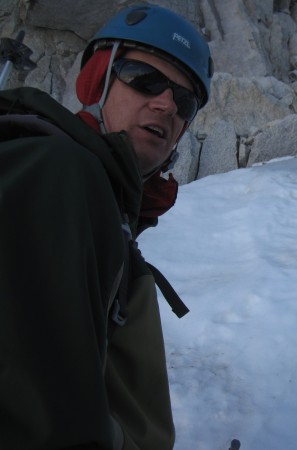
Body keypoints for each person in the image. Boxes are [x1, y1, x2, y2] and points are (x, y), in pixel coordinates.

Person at [0, 4, 213, 449]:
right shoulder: (56, 172)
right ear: (97, 82)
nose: (167, 103)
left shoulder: (104, 206)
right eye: (144, 79)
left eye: (185, 100)